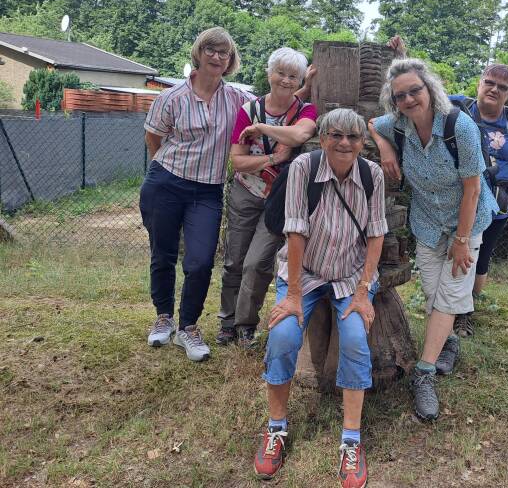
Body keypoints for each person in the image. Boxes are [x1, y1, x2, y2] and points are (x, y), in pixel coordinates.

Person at [385, 38, 508, 338]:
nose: (494, 89)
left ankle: (465, 313)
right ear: (480, 83)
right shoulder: (458, 107)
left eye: (502, 87)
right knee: (454, 256)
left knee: (479, 258)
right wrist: (402, 56)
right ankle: (449, 312)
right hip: (456, 198)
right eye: (489, 82)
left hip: (494, 200)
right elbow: (420, 92)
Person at [254, 108, 387, 488]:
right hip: (305, 272)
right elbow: (295, 231)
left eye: (353, 137)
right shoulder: (304, 168)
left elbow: (376, 234)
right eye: (336, 135)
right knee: (282, 335)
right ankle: (276, 429)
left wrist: (363, 292)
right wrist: (294, 295)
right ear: (322, 138)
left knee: (356, 340)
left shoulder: (372, 175)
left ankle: (351, 441)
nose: (344, 143)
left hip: (351, 275)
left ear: (363, 142)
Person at [369, 58, 498, 421]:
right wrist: (385, 147)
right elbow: (371, 124)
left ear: (429, 89)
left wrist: (462, 239)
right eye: (400, 96)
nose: (409, 99)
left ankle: (423, 375)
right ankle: (449, 342)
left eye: (415, 90)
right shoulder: (397, 125)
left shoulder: (459, 127)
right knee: (432, 292)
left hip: (466, 222)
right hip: (427, 223)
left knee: (450, 293)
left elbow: (473, 190)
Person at [140, 27, 253, 362]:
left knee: (201, 261)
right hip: (166, 182)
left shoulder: (237, 99)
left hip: (207, 191)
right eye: (210, 50)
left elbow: (272, 106)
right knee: (163, 254)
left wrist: (302, 85)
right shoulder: (172, 97)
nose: (217, 57)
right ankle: (163, 318)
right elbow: (153, 138)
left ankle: (188, 327)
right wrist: (166, 170)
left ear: (230, 60)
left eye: (224, 52)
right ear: (199, 53)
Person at [216, 48, 318, 349]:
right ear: (269, 73)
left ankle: (245, 325)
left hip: (280, 198)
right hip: (245, 192)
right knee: (234, 260)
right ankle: (226, 323)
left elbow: (300, 136)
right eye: (280, 73)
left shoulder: (306, 111)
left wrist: (260, 130)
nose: (285, 80)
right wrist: (275, 157)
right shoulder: (248, 109)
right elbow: (238, 161)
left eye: (293, 76)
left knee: (257, 262)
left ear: (300, 80)